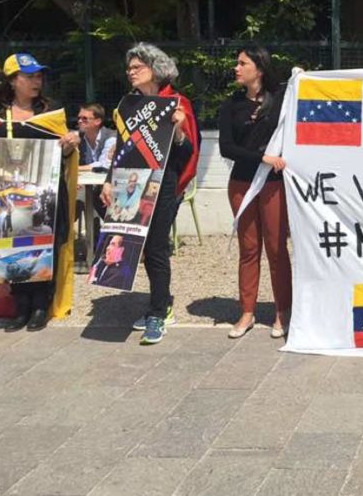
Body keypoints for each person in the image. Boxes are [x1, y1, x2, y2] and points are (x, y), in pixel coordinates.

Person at [0, 53, 80, 331]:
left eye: (38, 76)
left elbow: (64, 154)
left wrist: (70, 145)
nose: (36, 81)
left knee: (42, 247)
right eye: (29, 76)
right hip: (7, 196)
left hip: (45, 196)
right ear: (13, 80)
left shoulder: (51, 113)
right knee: (11, 248)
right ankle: (20, 306)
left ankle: (41, 305)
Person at [101, 43, 198, 346]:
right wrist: (108, 181)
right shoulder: (128, 105)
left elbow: (188, 151)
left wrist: (179, 130)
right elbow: (121, 147)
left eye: (136, 67)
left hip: (164, 182)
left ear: (155, 69)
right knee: (132, 244)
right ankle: (158, 300)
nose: (130, 72)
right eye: (128, 68)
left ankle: (159, 311)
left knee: (156, 248)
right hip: (131, 180)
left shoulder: (177, 102)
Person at [218, 47, 292, 339]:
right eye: (237, 63)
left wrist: (299, 73)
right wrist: (262, 159)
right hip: (242, 184)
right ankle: (246, 312)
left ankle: (282, 311)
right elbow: (226, 148)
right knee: (249, 250)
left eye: (242, 63)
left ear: (259, 69)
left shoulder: (280, 100)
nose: (236, 68)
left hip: (273, 185)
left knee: (276, 249)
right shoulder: (230, 105)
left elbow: (301, 87)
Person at [77, 103, 116, 172]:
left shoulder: (111, 137)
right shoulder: (78, 138)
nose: (80, 121)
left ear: (97, 121)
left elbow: (105, 164)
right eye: (79, 118)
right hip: (85, 180)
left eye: (84, 118)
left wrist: (76, 169)